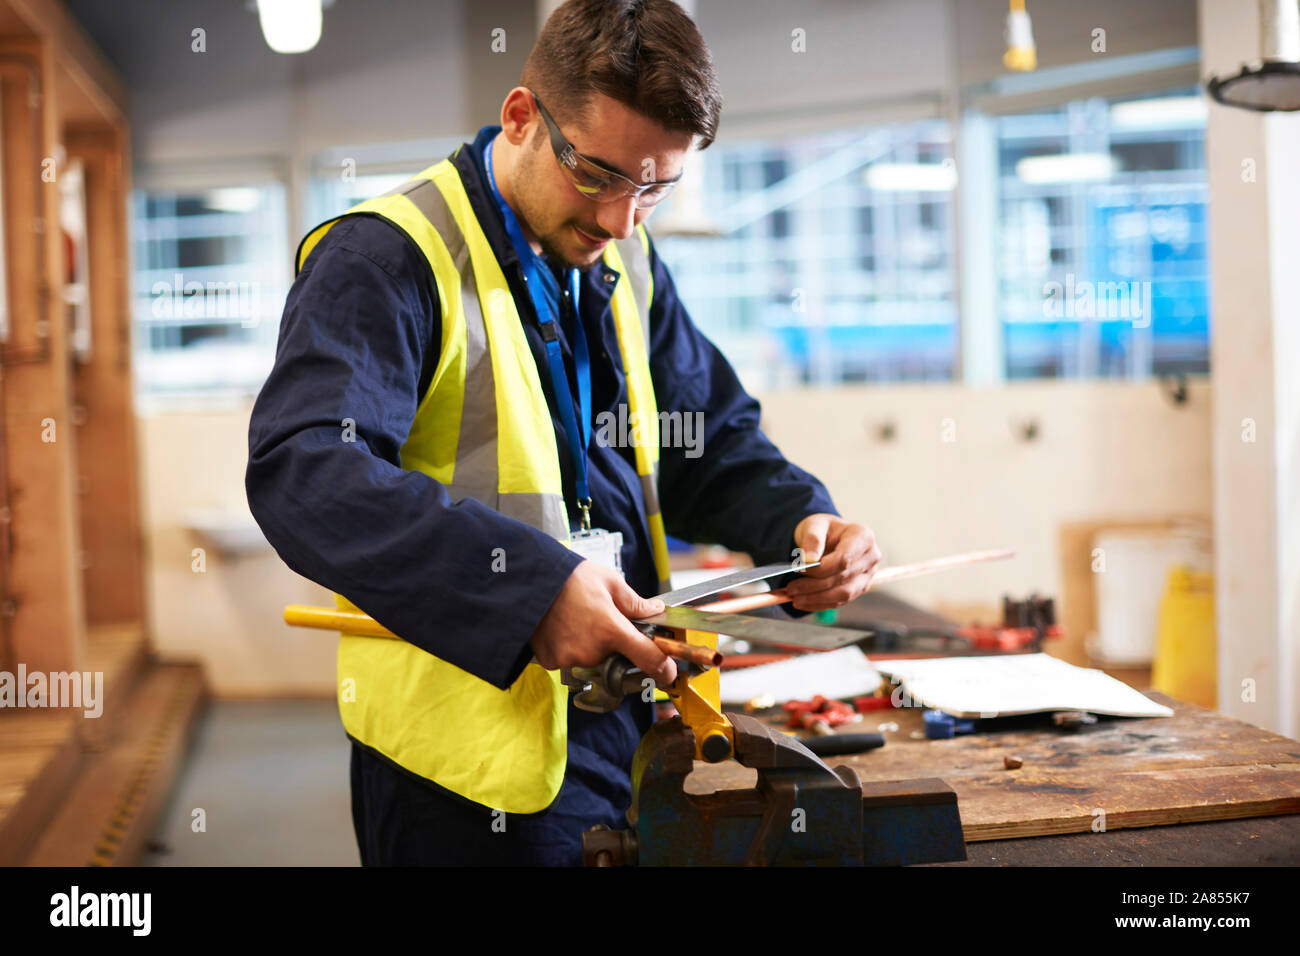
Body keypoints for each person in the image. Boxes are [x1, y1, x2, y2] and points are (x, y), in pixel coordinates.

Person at [246, 0, 881, 866]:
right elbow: (306, 470)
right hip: (459, 773)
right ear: (521, 117)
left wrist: (799, 521)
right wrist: (530, 592)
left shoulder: (625, 256)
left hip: (624, 722)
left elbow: (704, 441)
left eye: (656, 186)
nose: (623, 217)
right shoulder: (387, 258)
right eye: (600, 174)